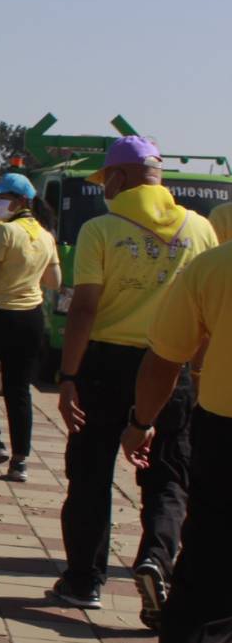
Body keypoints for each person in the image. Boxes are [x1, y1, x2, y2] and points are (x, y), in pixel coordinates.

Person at [50, 137, 217, 618]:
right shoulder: (200, 230)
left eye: (107, 180)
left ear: (120, 178)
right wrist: (196, 376)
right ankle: (156, 561)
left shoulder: (100, 229)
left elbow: (83, 308)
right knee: (168, 476)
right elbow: (204, 317)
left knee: (90, 473)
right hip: (172, 368)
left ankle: (84, 581)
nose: (106, 189)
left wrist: (67, 376)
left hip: (105, 366)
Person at [121, 236, 232, 643]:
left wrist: (141, 423)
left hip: (226, 442)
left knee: (201, 617)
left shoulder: (215, 268)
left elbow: (165, 359)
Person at [0, 172, 59, 481]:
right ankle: (20, 462)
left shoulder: (5, 232)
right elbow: (55, 281)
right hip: (31, 317)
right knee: (19, 390)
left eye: (1, 197)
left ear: (19, 201)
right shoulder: (47, 236)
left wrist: (4, 267)